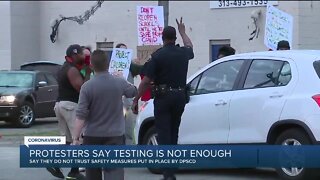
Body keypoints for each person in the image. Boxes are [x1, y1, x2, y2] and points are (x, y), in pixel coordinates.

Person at [132, 17, 194, 180]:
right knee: (174, 132)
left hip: (164, 98)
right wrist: (183, 32)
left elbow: (145, 81)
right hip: (180, 96)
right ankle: (172, 168)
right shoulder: (183, 53)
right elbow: (190, 46)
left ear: (162, 37)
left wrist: (135, 99)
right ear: (174, 38)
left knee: (164, 134)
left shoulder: (158, 56)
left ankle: (168, 173)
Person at [72, 50, 137, 180]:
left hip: (91, 135)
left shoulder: (87, 87)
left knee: (93, 173)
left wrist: (75, 138)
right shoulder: (119, 82)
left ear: (91, 65)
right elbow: (133, 92)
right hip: (115, 135)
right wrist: (123, 78)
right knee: (114, 172)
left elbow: (81, 115)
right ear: (108, 64)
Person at [46, 44, 89, 180]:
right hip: (70, 106)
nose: (85, 57)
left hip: (60, 105)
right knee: (77, 139)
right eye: (82, 54)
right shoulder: (72, 70)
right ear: (75, 55)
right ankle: (74, 171)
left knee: (67, 140)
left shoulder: (64, 67)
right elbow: (82, 89)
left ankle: (56, 165)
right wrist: (88, 72)